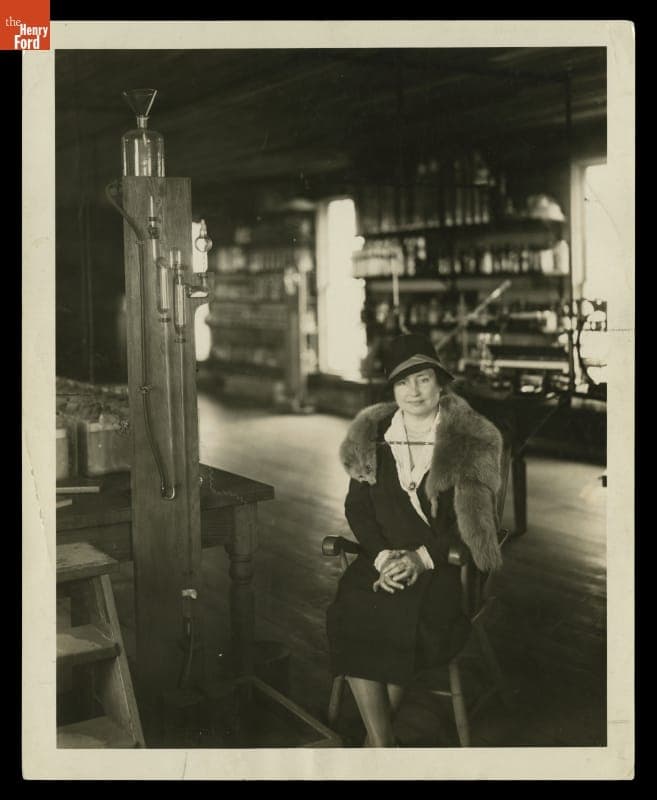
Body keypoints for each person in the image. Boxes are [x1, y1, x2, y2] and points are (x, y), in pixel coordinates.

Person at [326, 333, 505, 747]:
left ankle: (376, 746)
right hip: (384, 559)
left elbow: (473, 525)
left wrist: (421, 559)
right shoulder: (372, 435)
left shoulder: (471, 439)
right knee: (351, 608)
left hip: (443, 564)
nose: (414, 391)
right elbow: (359, 509)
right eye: (403, 383)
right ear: (392, 390)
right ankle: (384, 746)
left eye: (423, 379)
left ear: (440, 382)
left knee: (400, 616)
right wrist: (384, 556)